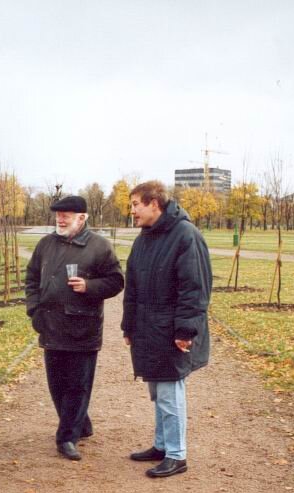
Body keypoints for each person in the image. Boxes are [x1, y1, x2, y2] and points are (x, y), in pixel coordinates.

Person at [121, 181, 212, 478]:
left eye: (136, 204)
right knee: (158, 391)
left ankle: (176, 454)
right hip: (148, 331)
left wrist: (185, 331)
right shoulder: (144, 239)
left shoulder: (186, 235)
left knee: (171, 392)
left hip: (172, 332)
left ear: (154, 204)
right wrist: (129, 325)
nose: (132, 210)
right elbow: (132, 285)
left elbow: (194, 289)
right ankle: (161, 446)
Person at [25, 195, 124, 461]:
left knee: (78, 385)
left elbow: (116, 281)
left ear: (82, 218)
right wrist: (34, 310)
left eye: (66, 214)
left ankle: (67, 437)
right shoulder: (45, 245)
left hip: (83, 328)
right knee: (57, 384)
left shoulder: (99, 246)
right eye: (58, 214)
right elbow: (32, 278)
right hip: (50, 326)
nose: (60, 219)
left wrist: (89, 287)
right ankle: (81, 424)